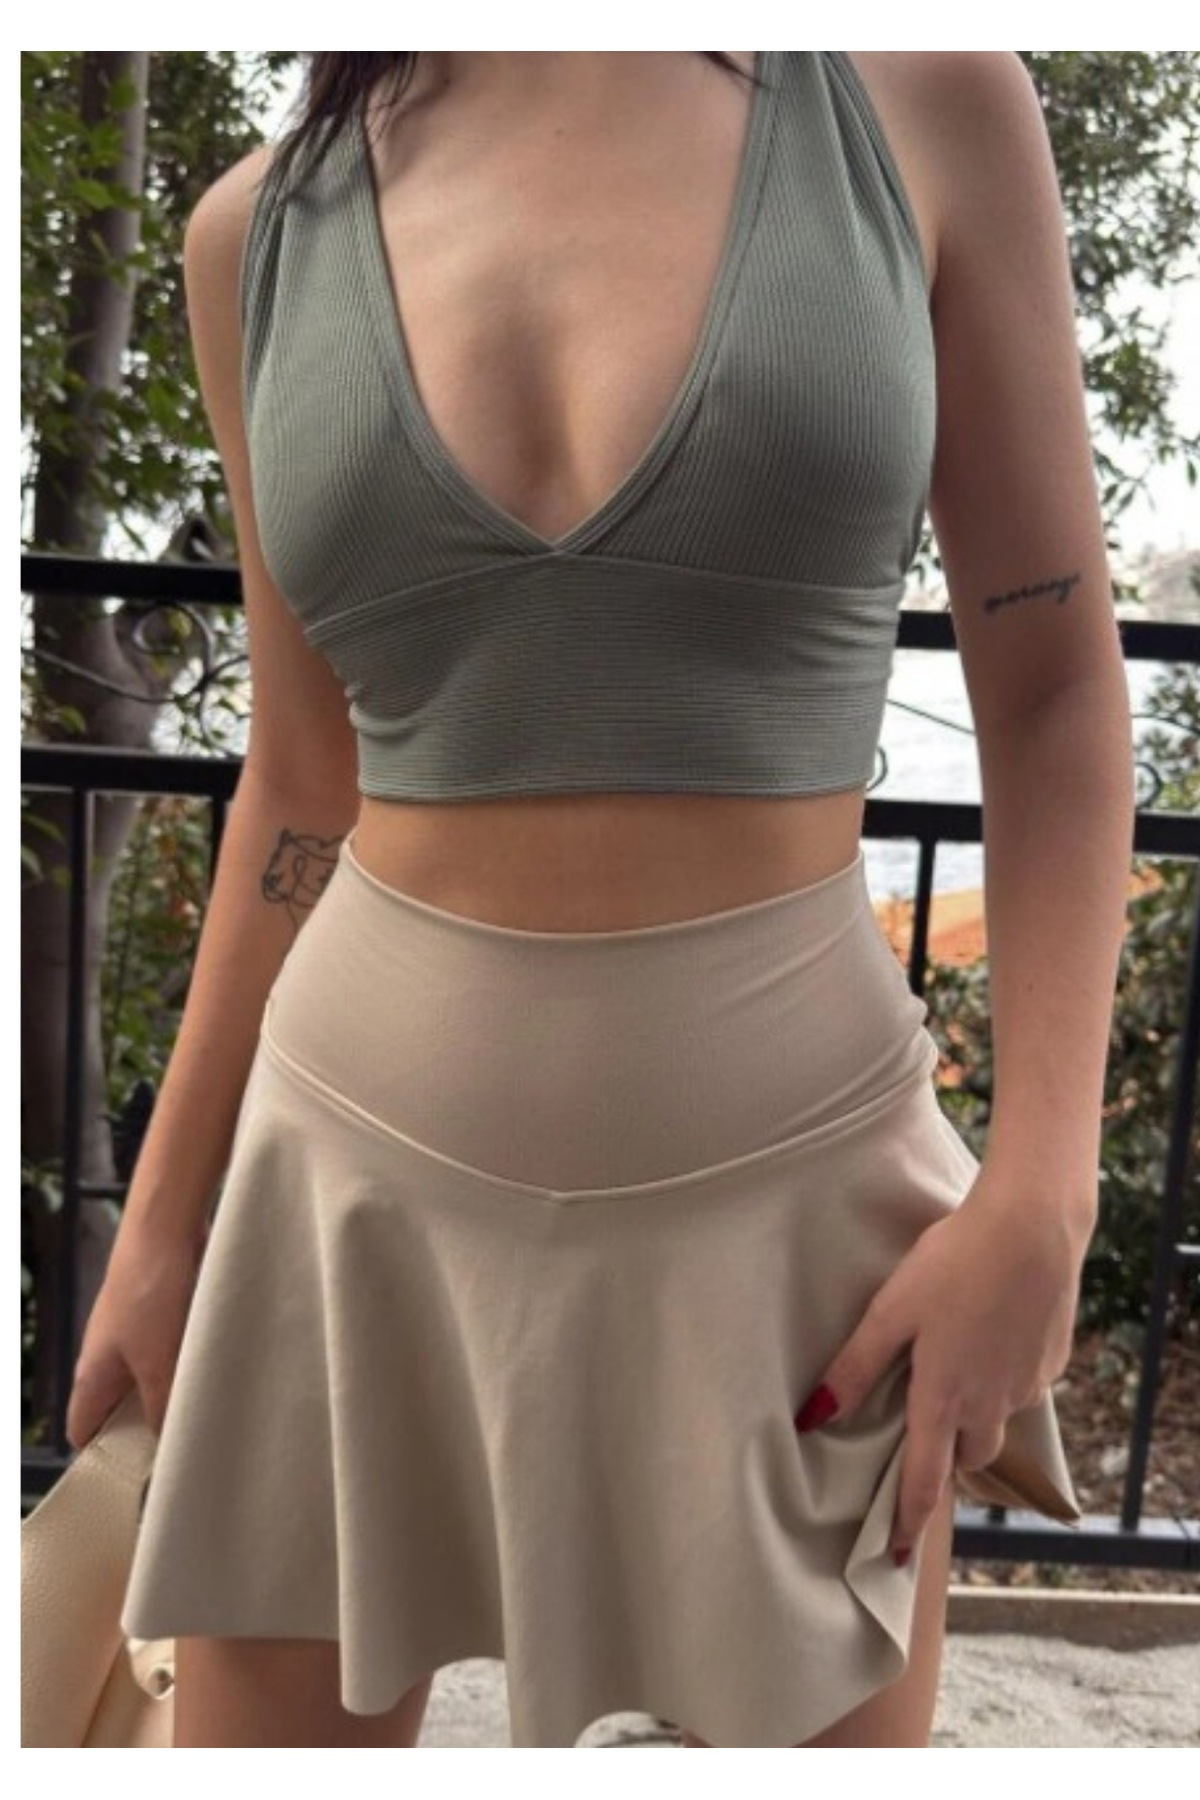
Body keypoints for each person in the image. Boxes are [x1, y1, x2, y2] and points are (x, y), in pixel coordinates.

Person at [67, 52, 1134, 1749]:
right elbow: (303, 774)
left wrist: (1044, 1194)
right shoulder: (252, 235)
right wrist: (166, 1222)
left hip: (804, 1220)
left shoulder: (919, 107)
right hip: (347, 1204)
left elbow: (1058, 693)